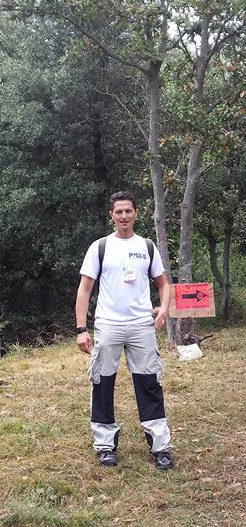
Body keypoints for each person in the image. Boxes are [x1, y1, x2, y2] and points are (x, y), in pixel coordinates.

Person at [75, 191, 173, 470]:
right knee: (102, 384)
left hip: (142, 326)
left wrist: (163, 308)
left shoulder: (147, 246)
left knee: (149, 384)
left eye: (128, 211)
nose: (124, 216)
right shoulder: (100, 247)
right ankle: (105, 446)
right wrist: (82, 329)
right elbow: (84, 289)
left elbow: (163, 283)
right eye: (118, 212)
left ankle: (160, 447)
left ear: (136, 213)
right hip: (108, 325)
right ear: (112, 216)